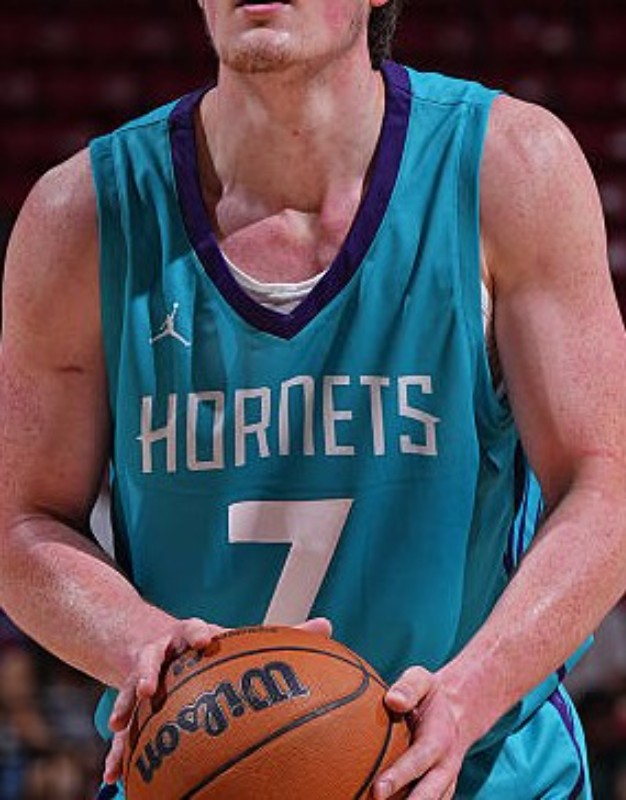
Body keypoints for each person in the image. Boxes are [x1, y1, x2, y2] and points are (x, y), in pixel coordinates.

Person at [1, 0, 625, 797]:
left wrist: (472, 691)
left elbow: (607, 488)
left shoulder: (509, 170)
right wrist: (139, 643)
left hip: (480, 773)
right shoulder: (82, 216)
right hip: (205, 769)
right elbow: (20, 522)